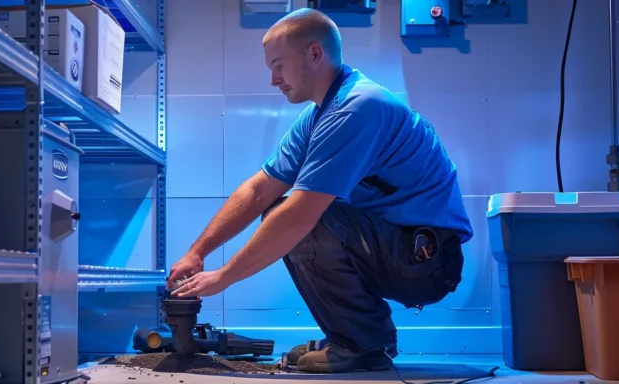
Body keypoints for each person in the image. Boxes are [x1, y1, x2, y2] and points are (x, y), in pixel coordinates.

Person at [167, 8, 472, 374]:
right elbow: (259, 189)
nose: (273, 80)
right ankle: (352, 335)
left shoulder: (357, 107)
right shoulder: (319, 116)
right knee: (285, 209)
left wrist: (224, 277)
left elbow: (299, 216)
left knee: (304, 217)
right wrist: (198, 253)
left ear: (314, 54)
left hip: (428, 261)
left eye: (279, 65)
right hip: (399, 249)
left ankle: (361, 344)